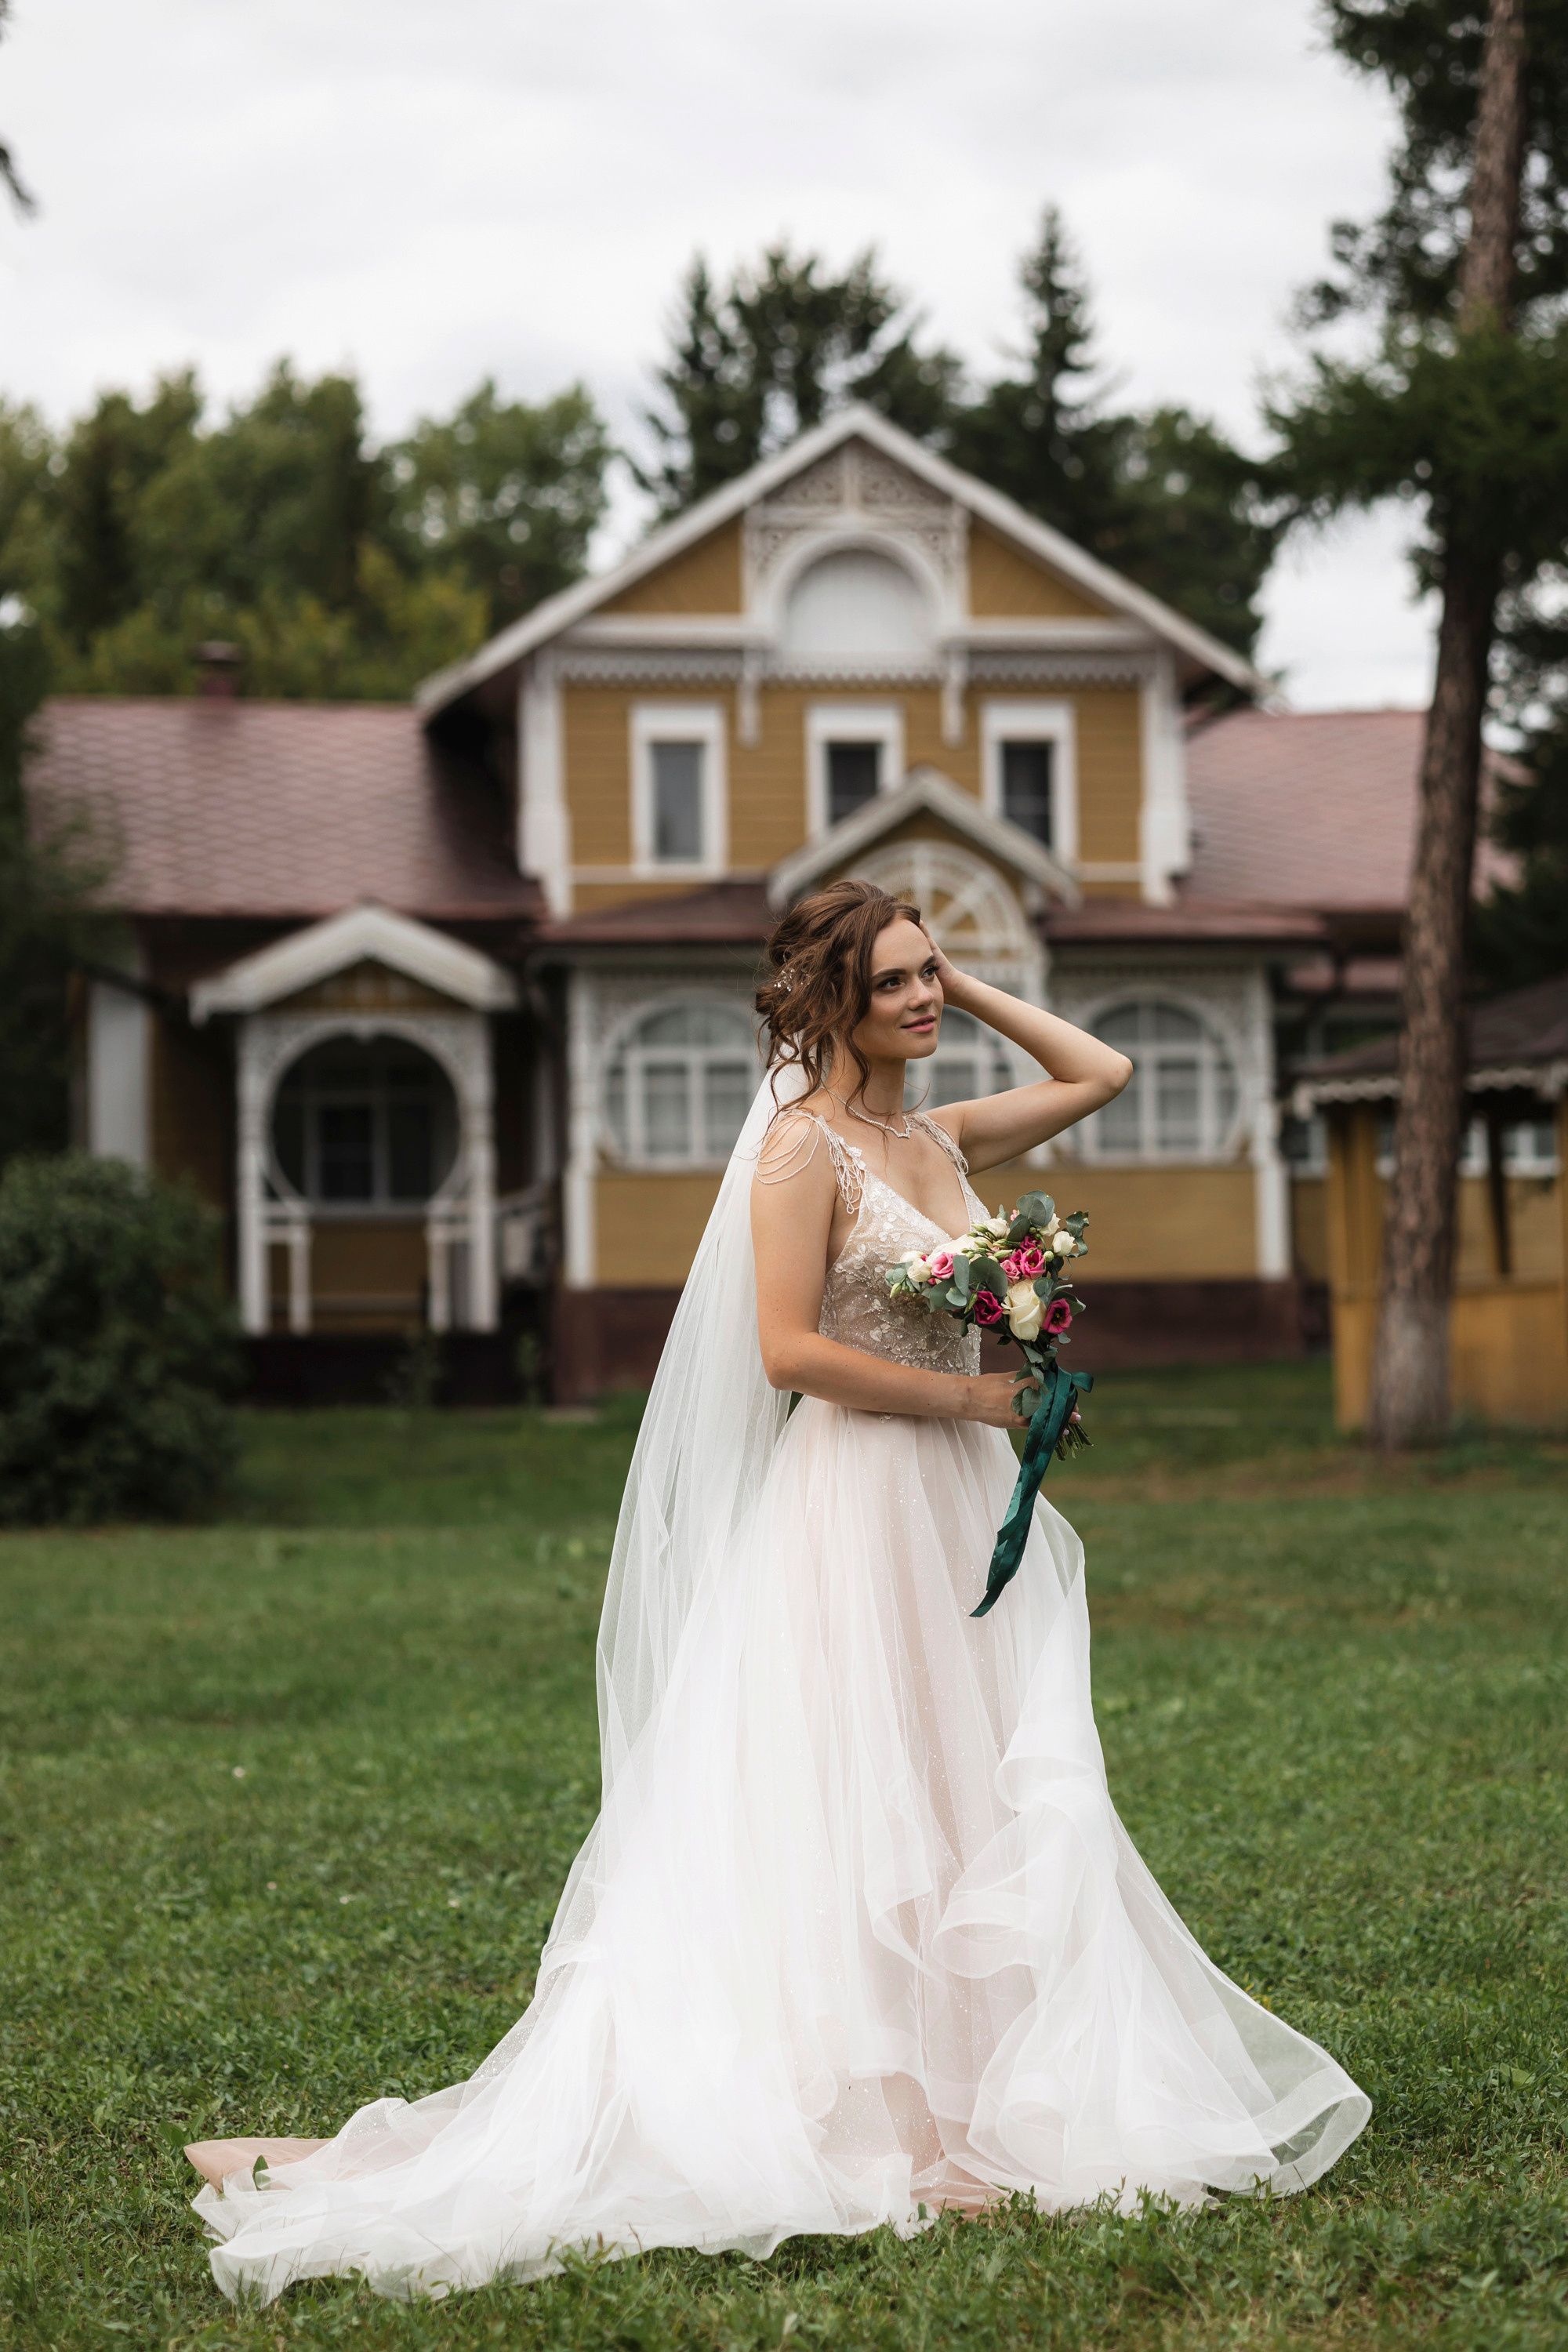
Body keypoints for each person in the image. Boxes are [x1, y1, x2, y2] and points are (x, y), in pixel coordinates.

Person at [187, 879, 1369, 2303]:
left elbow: (1100, 1070)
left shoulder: (938, 1136)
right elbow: (788, 1352)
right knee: (854, 1786)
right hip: (857, 1495)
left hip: (948, 1500)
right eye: (894, 983)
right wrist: (981, 1398)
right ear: (832, 1003)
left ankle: (973, 2091)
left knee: (964, 1775)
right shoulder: (802, 1150)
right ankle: (862, 2100)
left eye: (930, 975)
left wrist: (964, 985)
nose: (922, 1000)